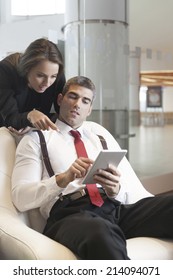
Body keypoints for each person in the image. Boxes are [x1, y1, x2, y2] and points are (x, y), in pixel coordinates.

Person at [12, 76, 173, 260]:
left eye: (85, 101)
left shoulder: (99, 136)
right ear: (60, 99)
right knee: (101, 231)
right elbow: (20, 197)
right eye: (72, 96)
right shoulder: (36, 139)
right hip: (70, 214)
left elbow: (128, 192)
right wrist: (62, 179)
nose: (77, 104)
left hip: (112, 208)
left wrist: (115, 189)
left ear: (89, 109)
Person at [0, 38, 65, 134]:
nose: (47, 83)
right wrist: (30, 117)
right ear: (27, 69)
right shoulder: (6, 70)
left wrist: (32, 124)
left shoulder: (57, 75)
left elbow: (62, 112)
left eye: (53, 76)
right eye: (40, 75)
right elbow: (9, 118)